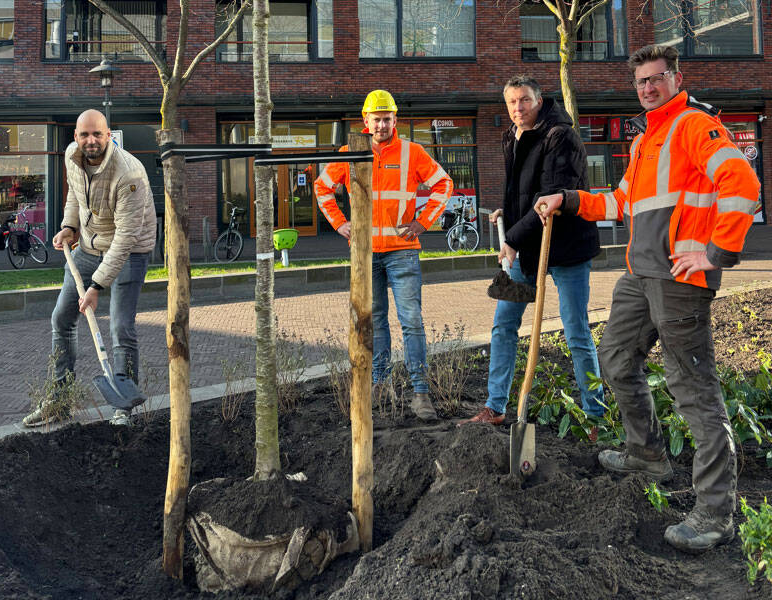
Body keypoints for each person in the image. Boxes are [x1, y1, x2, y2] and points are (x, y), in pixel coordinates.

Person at [536, 45, 760, 554]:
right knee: (615, 358)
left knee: (695, 392)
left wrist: (717, 252)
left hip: (680, 281)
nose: (648, 88)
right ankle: (647, 454)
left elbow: (743, 183)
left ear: (676, 78)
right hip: (639, 276)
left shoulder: (694, 126)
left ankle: (714, 513)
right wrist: (567, 200)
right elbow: (621, 202)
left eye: (657, 78)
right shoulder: (646, 139)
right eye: (641, 81)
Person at [459, 75, 603, 427]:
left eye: (524, 100)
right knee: (503, 325)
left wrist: (511, 240)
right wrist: (507, 215)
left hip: (565, 249)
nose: (518, 108)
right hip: (527, 252)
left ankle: (596, 415)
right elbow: (522, 192)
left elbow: (550, 198)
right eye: (512, 102)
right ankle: (495, 406)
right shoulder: (513, 135)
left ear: (539, 100)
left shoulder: (561, 136)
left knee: (576, 331)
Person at [314, 90, 453, 421]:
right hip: (365, 255)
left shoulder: (412, 152)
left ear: (395, 120)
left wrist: (422, 223)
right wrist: (340, 224)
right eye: (376, 119)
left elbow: (443, 185)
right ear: (366, 121)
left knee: (412, 322)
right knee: (374, 323)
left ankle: (421, 394)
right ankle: (381, 386)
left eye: (387, 118)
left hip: (402, 252)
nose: (382, 124)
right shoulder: (349, 152)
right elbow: (322, 188)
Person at [22, 109, 157, 428]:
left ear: (108, 135)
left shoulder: (130, 174)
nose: (91, 140)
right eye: (84, 135)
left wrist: (96, 287)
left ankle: (124, 406)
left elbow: (126, 237)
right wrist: (69, 226)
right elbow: (76, 197)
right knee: (62, 317)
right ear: (76, 138)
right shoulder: (72, 156)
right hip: (87, 248)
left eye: (97, 134)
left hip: (130, 250)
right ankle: (60, 397)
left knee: (120, 327)